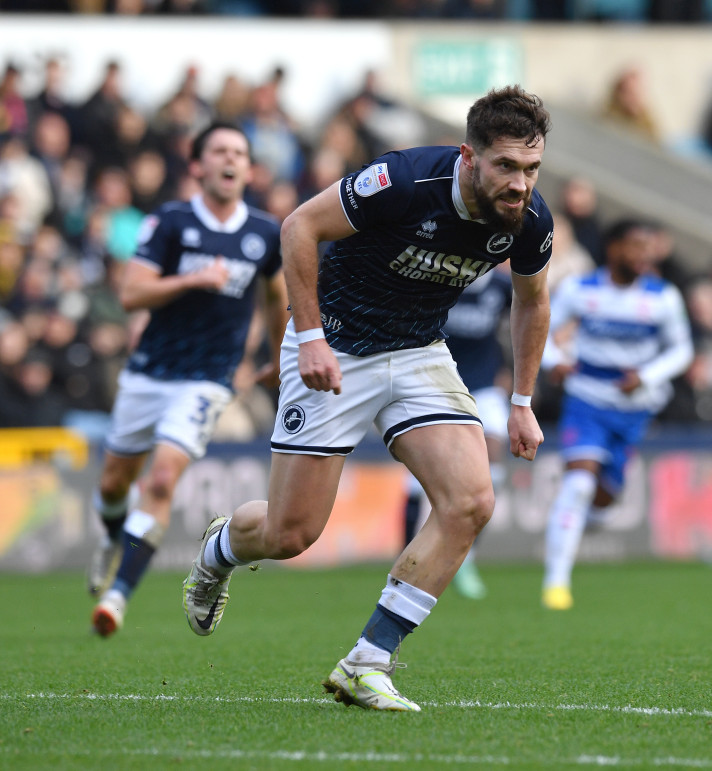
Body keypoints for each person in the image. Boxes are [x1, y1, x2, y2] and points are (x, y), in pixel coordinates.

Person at [180, 86, 553, 712]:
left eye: (532, 168)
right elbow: (299, 226)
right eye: (506, 167)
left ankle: (368, 661)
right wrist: (310, 337)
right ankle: (220, 549)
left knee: (470, 502)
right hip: (336, 350)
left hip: (415, 353)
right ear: (469, 157)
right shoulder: (404, 180)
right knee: (290, 533)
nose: (520, 184)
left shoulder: (528, 219)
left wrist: (521, 400)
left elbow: (533, 301)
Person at [88, 121, 288, 637]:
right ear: (198, 166)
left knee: (160, 480)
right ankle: (114, 538)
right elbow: (132, 294)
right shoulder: (172, 222)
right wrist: (192, 279)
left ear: (249, 167)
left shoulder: (265, 233)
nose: (230, 159)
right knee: (114, 484)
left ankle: (117, 596)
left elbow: (275, 296)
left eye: (239, 152)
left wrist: (280, 352)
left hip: (207, 378)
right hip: (149, 372)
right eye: (218, 150)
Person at [540, 219, 693, 611]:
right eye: (636, 246)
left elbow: (681, 351)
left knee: (604, 500)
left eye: (649, 247)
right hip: (586, 399)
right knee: (578, 485)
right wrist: (555, 361)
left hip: (634, 408)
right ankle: (556, 583)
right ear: (614, 249)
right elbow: (538, 331)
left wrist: (646, 376)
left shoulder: (663, 297)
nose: (644, 255)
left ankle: (578, 521)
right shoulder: (580, 289)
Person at [400, 264, 513, 600]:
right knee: (418, 481)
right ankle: (406, 557)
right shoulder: (442, 276)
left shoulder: (502, 287)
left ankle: (465, 558)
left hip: (484, 386)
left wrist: (511, 368)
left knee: (491, 473)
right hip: (434, 384)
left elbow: (522, 322)